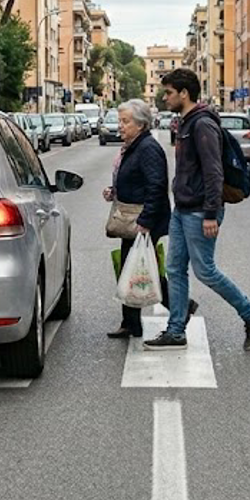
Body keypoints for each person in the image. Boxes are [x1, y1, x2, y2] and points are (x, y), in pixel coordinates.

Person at [144, 69, 250, 351]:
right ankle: (176, 330)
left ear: (184, 94)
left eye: (169, 92)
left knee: (206, 271)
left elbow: (214, 172)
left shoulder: (202, 125)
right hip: (183, 208)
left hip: (201, 211)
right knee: (175, 269)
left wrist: (211, 212)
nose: (166, 97)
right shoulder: (185, 123)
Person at [102, 98, 196, 338]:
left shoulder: (148, 148)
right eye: (119, 121)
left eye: (125, 121)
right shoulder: (134, 147)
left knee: (143, 269)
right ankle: (131, 323)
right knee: (130, 268)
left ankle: (182, 308)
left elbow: (156, 186)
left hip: (143, 220)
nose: (120, 126)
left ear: (141, 124)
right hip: (135, 218)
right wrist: (115, 191)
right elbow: (136, 181)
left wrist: (145, 222)